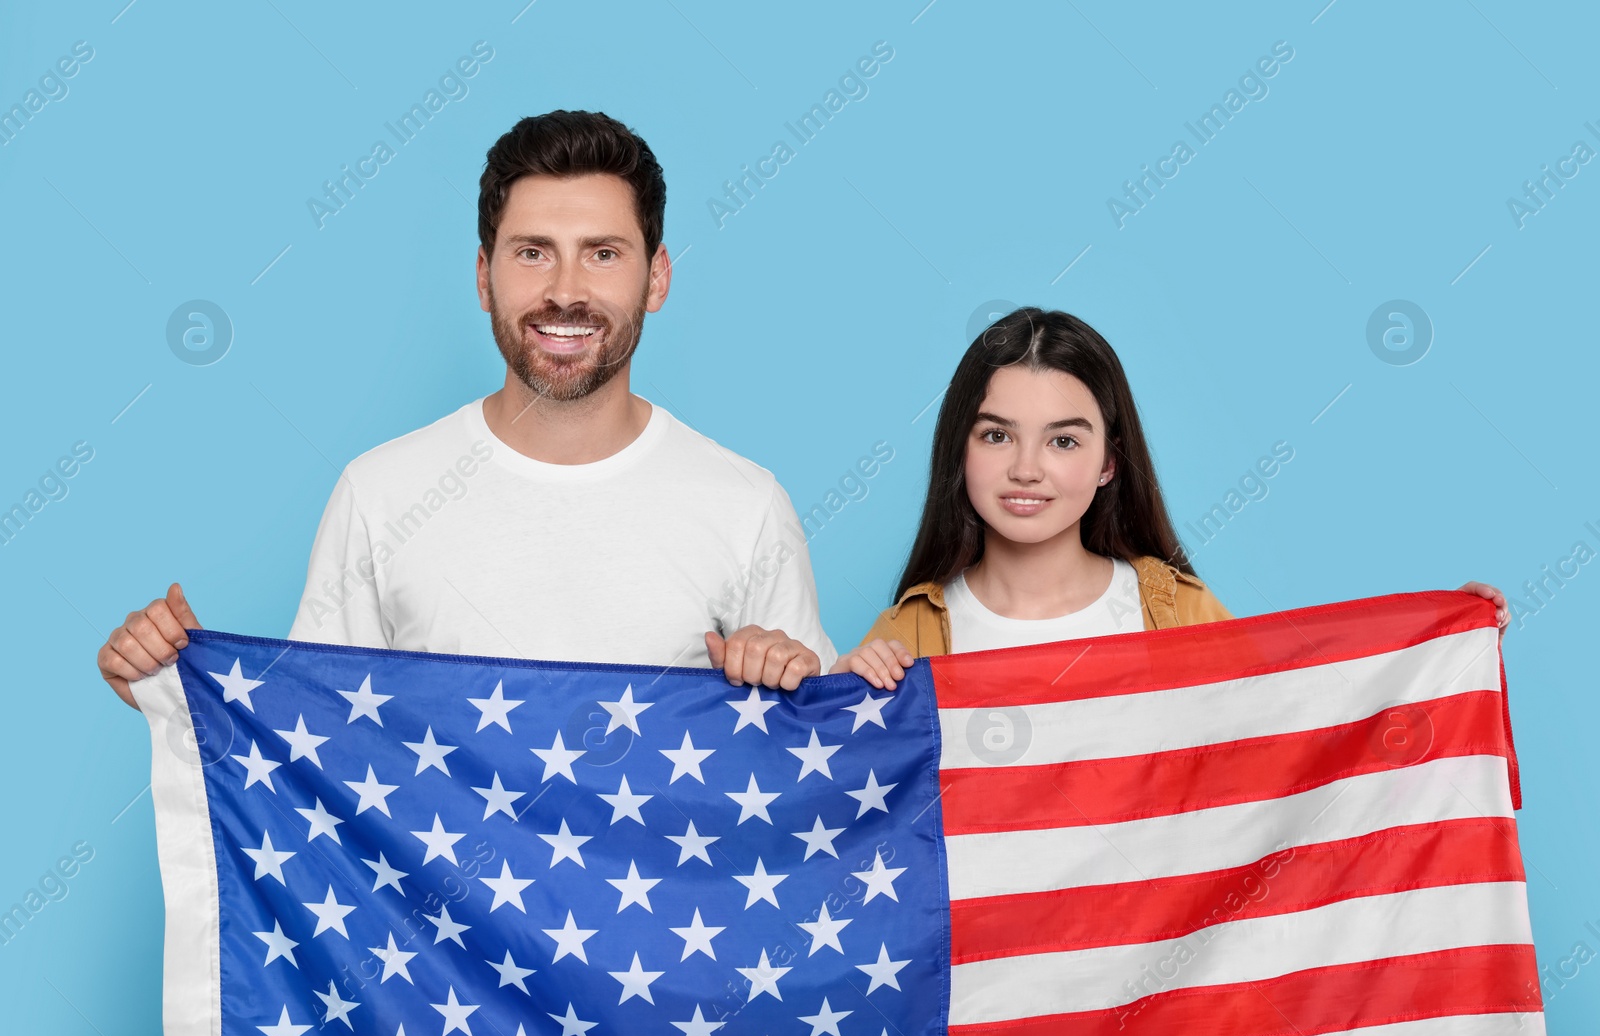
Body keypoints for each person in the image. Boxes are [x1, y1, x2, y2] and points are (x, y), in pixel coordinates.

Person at [98, 110, 834, 709]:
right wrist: (179, 689)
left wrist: (797, 679)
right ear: (485, 277)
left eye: (604, 253)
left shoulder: (748, 507)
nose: (568, 290)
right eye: (533, 252)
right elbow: (311, 745)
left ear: (657, 278)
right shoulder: (381, 494)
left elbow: (823, 777)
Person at [832, 307, 1508, 688]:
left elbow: (1292, 724)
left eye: (1064, 441)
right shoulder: (912, 632)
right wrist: (841, 691)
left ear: (1108, 463)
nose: (1028, 468)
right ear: (961, 450)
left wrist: (1440, 645)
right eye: (997, 435)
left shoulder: (1176, 611)